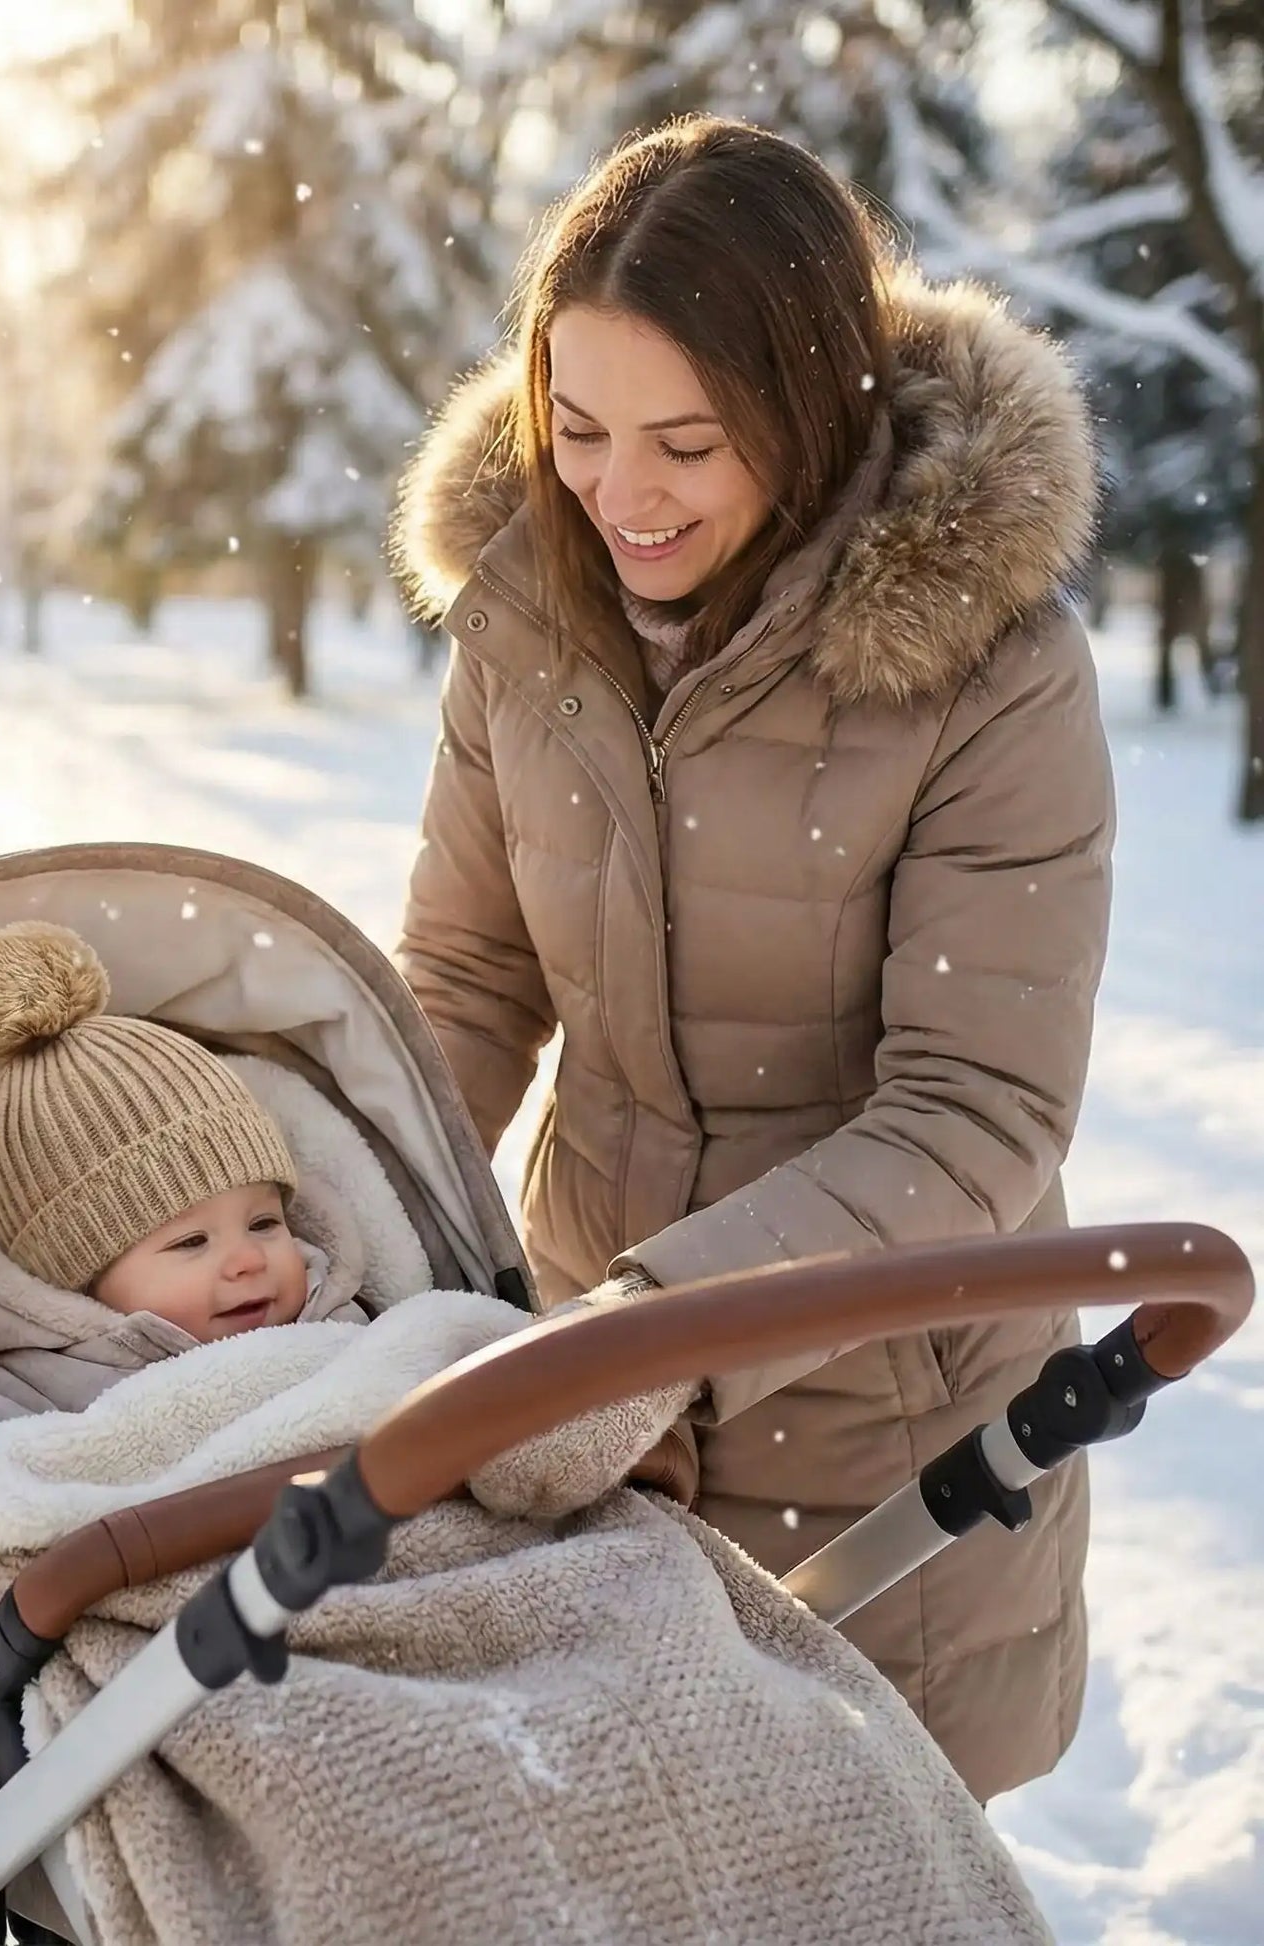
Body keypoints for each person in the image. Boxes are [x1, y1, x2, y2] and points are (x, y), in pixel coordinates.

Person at [391, 115, 1114, 1804]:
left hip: (890, 1425)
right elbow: (469, 989)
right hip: (587, 1401)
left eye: (686, 444)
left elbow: (974, 1113)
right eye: (574, 431)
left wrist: (654, 1332)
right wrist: (329, 1228)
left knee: (851, 1866)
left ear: (803, 409)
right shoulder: (528, 623)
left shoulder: (988, 666)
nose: (618, 495)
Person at [0, 920, 370, 1436]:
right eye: (191, 1241)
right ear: (77, 1282)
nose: (249, 1261)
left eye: (263, 1224)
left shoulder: (341, 1322)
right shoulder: (35, 1395)